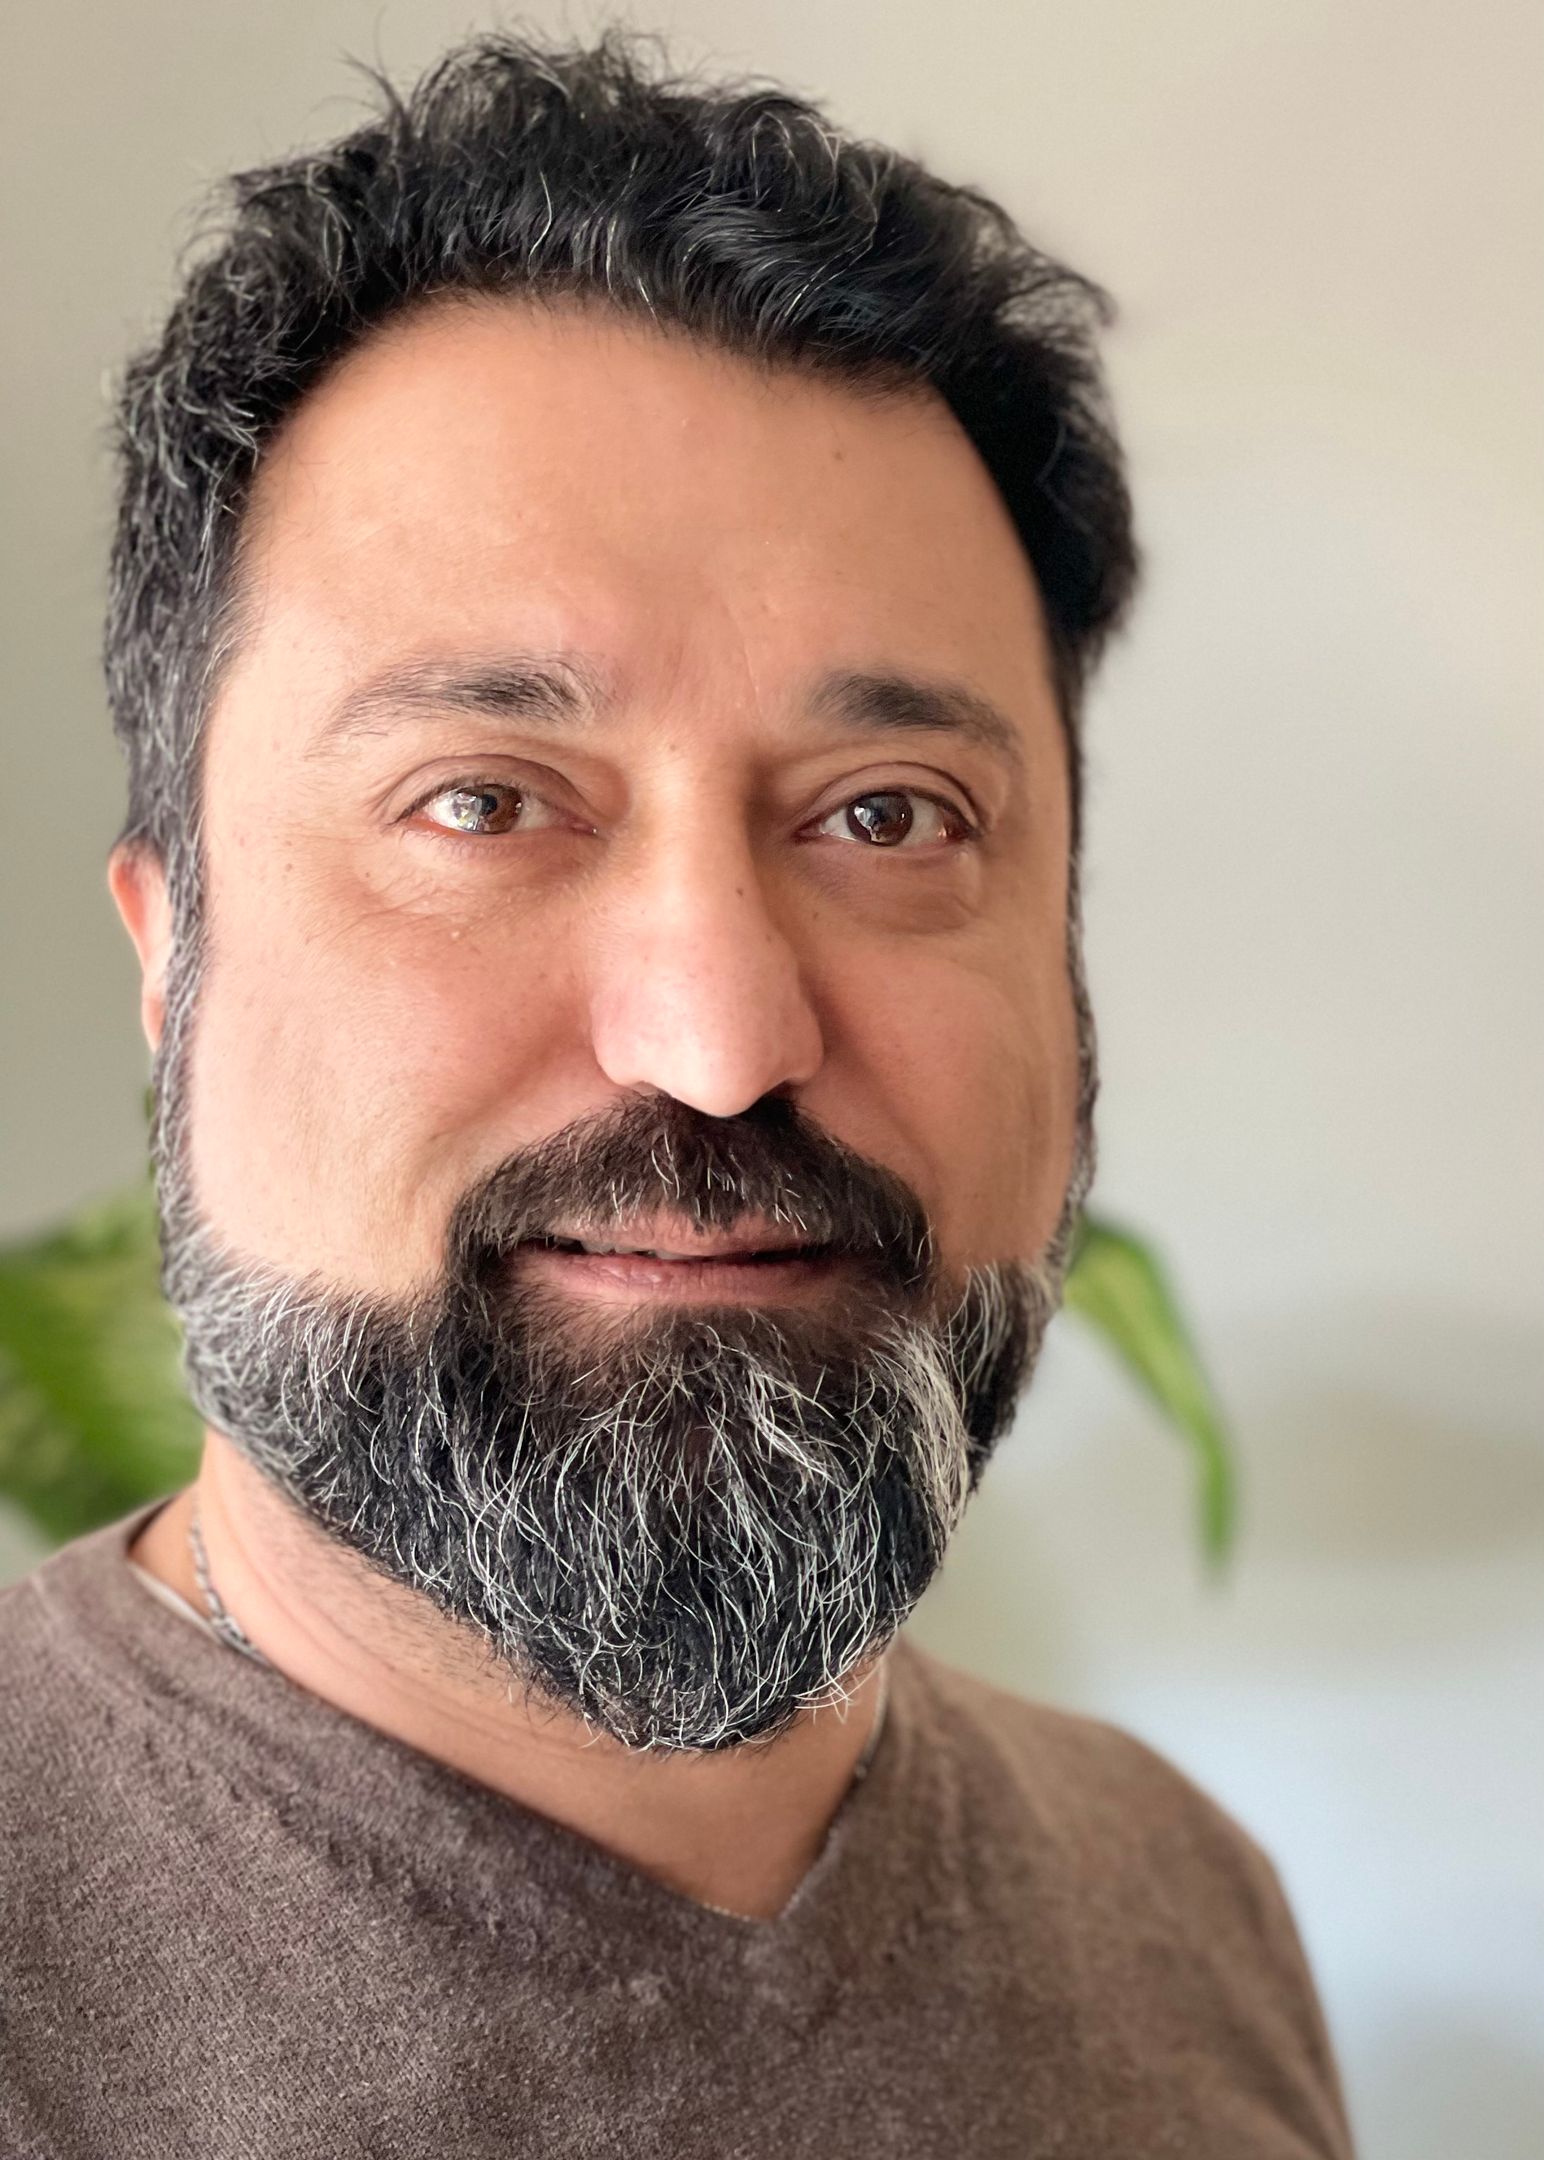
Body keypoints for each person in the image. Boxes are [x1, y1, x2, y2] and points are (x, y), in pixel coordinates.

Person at [0, 29, 1355, 2160]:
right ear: (173, 958)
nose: (717, 1042)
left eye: (890, 814)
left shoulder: (1187, 1904)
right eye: (482, 800)